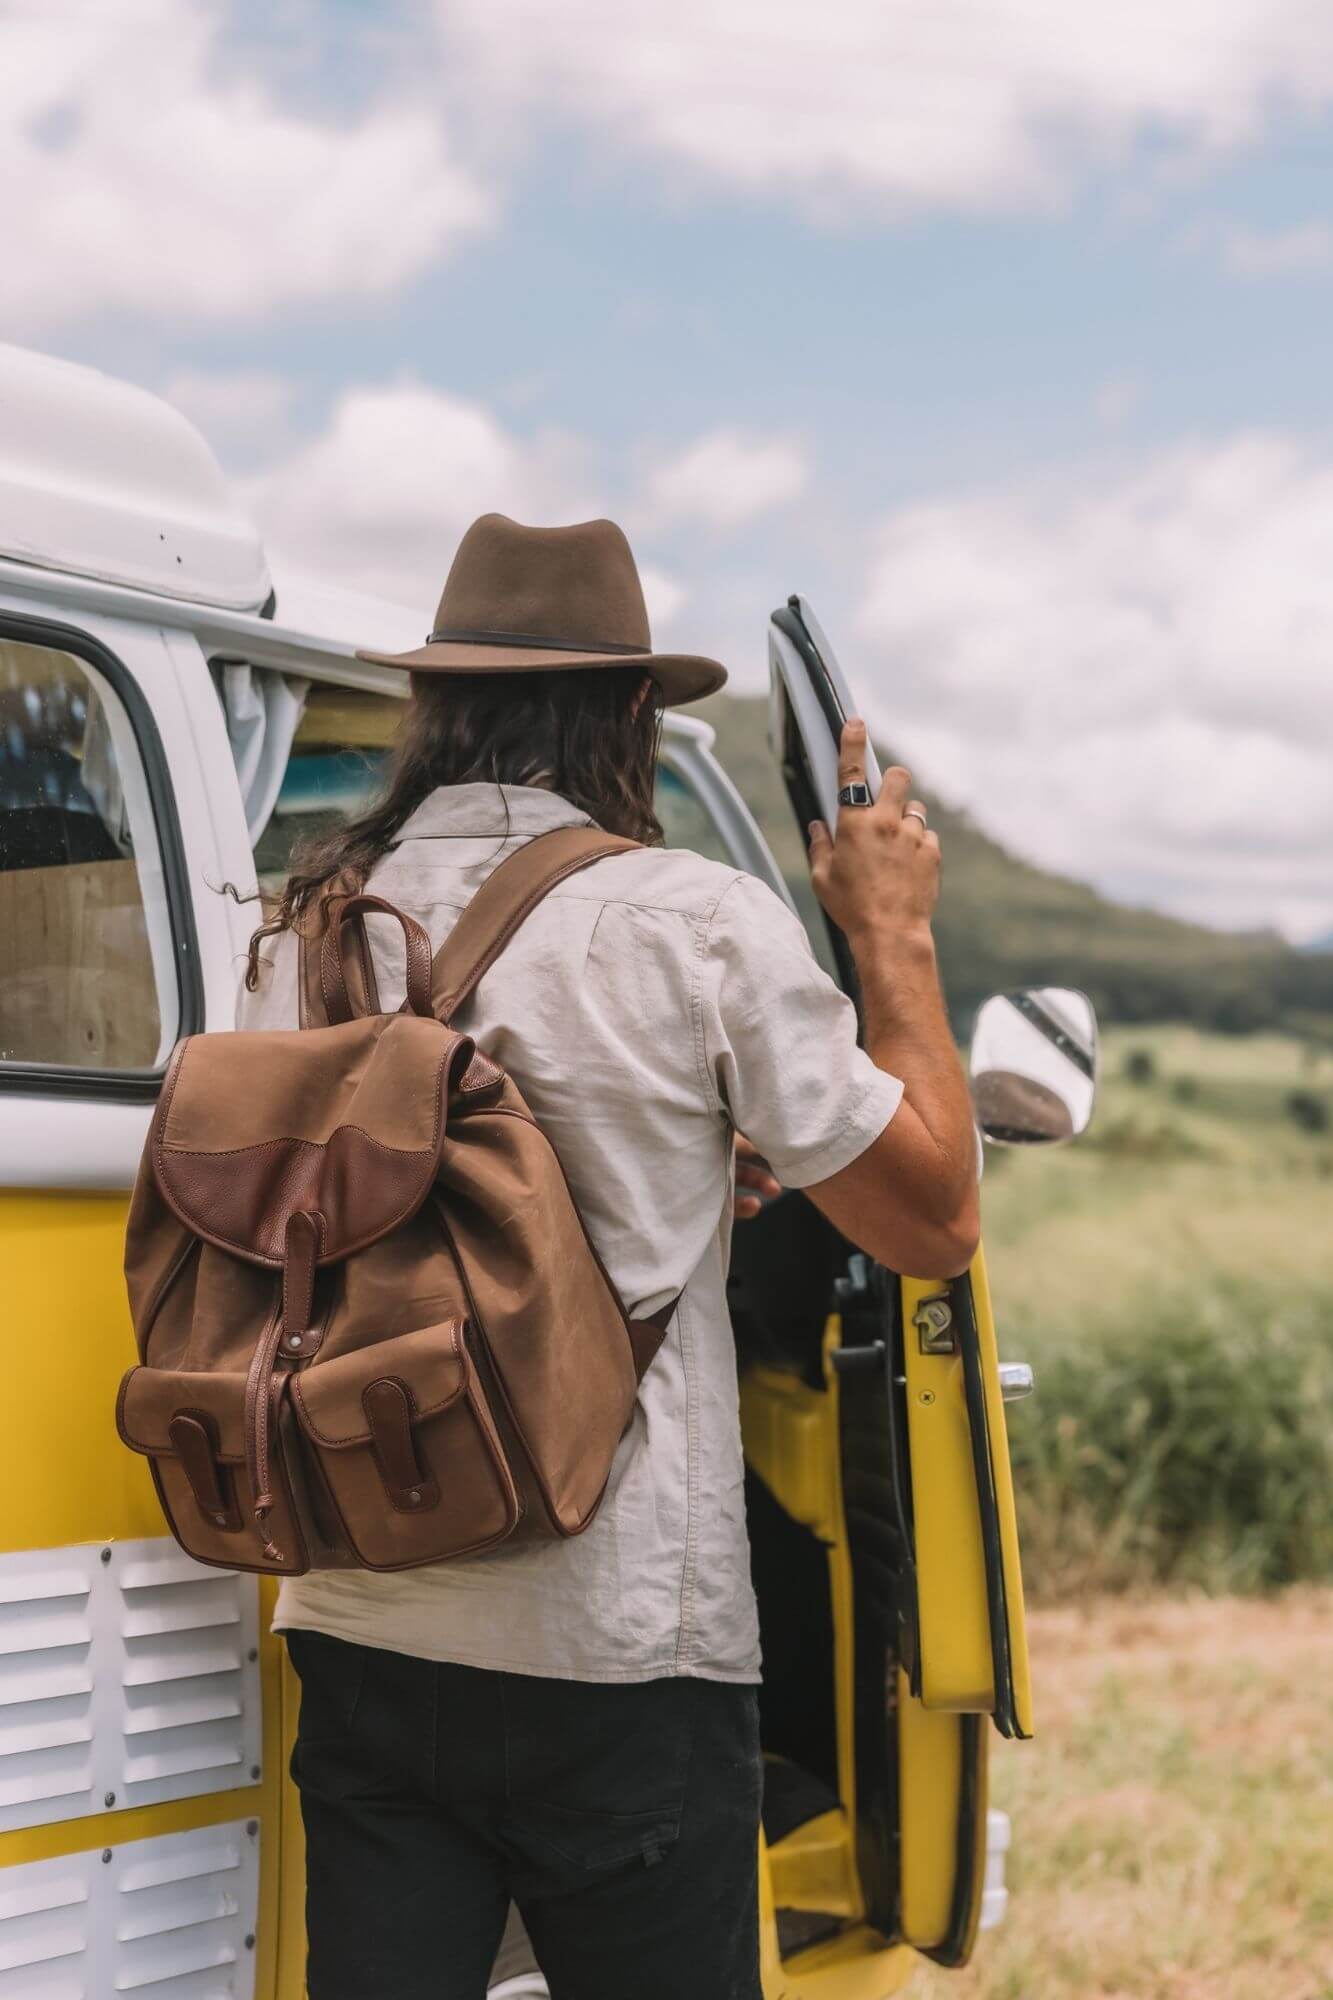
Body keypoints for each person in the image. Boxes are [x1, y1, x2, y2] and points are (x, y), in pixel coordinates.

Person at [240, 513, 979, 2000]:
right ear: (635, 715)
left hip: (365, 1611)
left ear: (435, 708)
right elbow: (930, 1216)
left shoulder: (298, 930)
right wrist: (890, 936)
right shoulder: (691, 922)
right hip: (616, 1637)